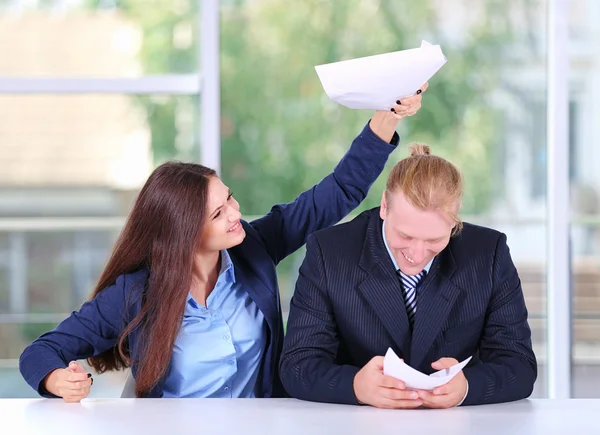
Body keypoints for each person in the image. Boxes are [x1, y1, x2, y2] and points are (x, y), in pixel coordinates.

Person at [18, 85, 428, 402]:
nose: (235, 214)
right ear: (182, 233)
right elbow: (41, 352)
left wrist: (388, 115)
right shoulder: (134, 293)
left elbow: (337, 191)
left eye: (228, 198)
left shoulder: (254, 246)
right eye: (218, 214)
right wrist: (58, 380)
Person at [279, 143, 537, 408]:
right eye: (404, 235)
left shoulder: (488, 253)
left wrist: (467, 387)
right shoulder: (329, 252)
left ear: (455, 216)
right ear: (384, 206)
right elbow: (297, 365)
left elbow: (519, 364)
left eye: (434, 239)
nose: (417, 252)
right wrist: (355, 385)